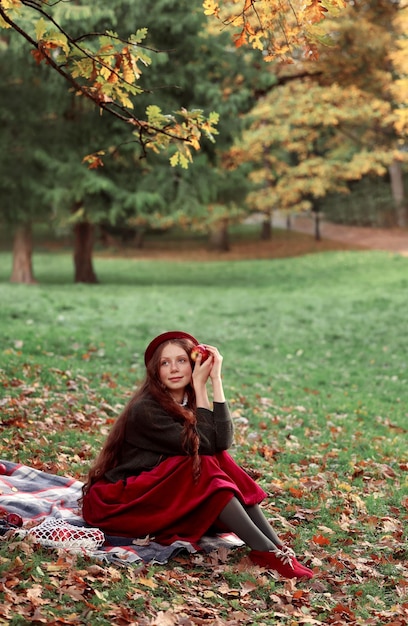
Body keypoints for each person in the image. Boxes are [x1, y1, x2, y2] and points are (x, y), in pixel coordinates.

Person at [81, 331, 313, 579]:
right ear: (155, 371)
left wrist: (215, 381)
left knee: (218, 460)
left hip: (158, 491)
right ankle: (265, 550)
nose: (174, 369)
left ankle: (275, 547)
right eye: (165, 363)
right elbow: (202, 447)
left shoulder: (187, 400)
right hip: (121, 500)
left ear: (194, 364)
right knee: (204, 462)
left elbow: (221, 443)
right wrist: (200, 385)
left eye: (181, 360)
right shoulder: (146, 409)